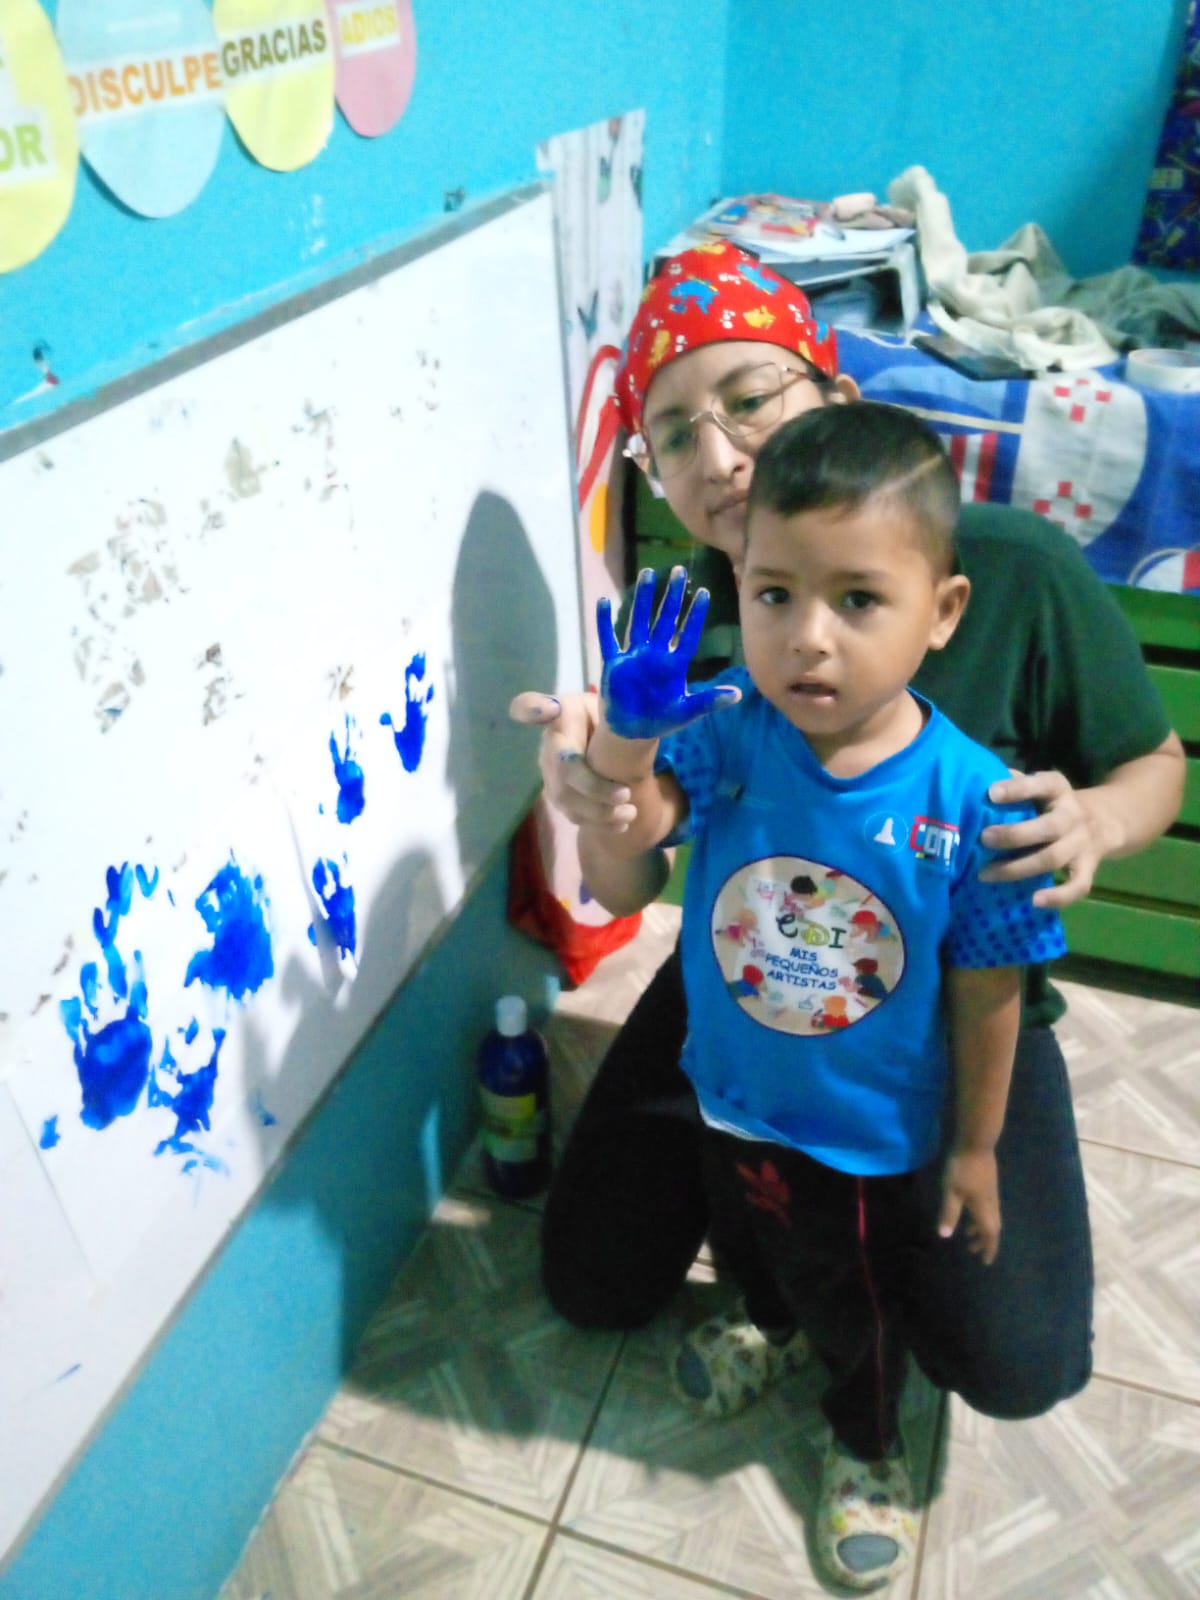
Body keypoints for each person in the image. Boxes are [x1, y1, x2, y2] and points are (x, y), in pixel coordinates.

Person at [508, 243, 1185, 1579]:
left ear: (831, 389)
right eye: (672, 433)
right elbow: (637, 879)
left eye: (749, 397)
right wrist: (604, 789)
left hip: (951, 1004)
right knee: (594, 1277)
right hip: (755, 986)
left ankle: (866, 1369)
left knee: (1015, 1356)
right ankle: (780, 1289)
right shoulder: (699, 636)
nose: (718, 452)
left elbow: (1153, 764)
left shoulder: (1005, 565)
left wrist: (1100, 821)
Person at [575, 401, 1067, 1588]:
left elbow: (992, 992)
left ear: (941, 611)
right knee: (749, 1236)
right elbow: (640, 827)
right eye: (774, 593)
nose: (807, 638)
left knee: (862, 1299)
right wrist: (623, 743)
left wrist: (977, 1148)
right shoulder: (730, 736)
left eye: (857, 599)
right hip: (732, 1091)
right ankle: (767, 1320)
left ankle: (866, 1439)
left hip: (868, 1139)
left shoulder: (978, 801)